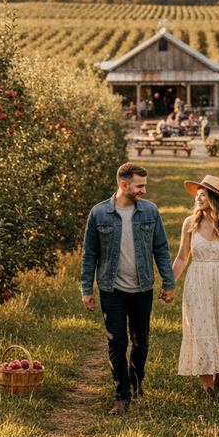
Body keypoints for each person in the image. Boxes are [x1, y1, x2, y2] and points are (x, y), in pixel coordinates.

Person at [81, 163, 176, 414]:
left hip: (142, 288)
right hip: (112, 289)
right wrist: (86, 289)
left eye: (145, 185)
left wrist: (168, 282)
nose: (144, 190)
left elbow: (161, 249)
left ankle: (136, 378)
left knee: (140, 342)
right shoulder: (99, 213)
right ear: (124, 185)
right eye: (140, 185)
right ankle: (121, 395)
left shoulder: (150, 212)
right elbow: (89, 254)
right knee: (117, 342)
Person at [172, 175, 219, 396]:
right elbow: (182, 257)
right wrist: (169, 284)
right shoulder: (189, 223)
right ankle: (208, 388)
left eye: (203, 193)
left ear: (214, 198)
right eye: (197, 193)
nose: (198, 197)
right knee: (202, 331)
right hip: (197, 283)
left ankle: (218, 373)